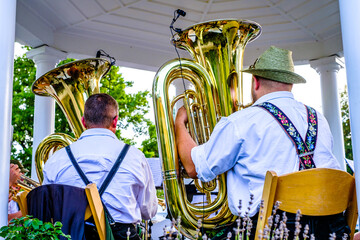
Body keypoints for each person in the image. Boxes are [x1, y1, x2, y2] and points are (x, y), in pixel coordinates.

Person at [175, 46, 347, 239]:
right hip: (332, 229)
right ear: (290, 84)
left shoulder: (242, 121)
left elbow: (193, 167)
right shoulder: (318, 119)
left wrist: (179, 123)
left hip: (274, 231)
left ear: (255, 82)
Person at [43, 93, 158, 240]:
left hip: (71, 236)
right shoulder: (135, 157)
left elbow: (46, 210)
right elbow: (149, 211)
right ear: (115, 121)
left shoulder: (56, 159)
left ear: (83, 121)